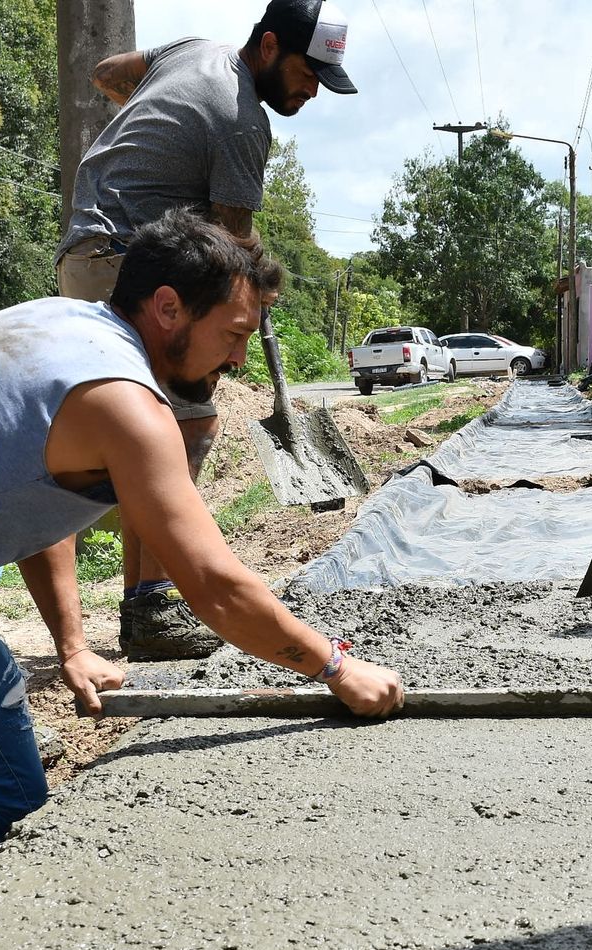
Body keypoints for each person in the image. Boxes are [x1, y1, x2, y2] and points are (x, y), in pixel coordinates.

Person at [0, 211, 404, 847]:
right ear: (169, 307)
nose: (238, 358)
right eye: (233, 333)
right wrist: (335, 668)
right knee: (4, 798)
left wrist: (71, 646)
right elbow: (213, 586)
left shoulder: (67, 320)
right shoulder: (127, 406)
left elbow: (28, 499)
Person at [54, 0, 356, 662]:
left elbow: (108, 72)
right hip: (126, 264)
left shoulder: (194, 50)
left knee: (155, 426)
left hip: (85, 253)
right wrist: (251, 309)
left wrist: (161, 131)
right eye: (309, 75)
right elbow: (234, 258)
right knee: (187, 426)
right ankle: (154, 606)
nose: (311, 92)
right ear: (271, 47)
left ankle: (145, 607)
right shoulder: (244, 121)